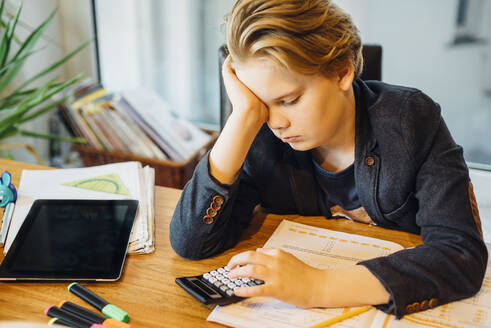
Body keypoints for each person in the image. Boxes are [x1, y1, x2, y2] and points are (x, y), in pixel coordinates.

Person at [170, 0, 487, 319]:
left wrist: (317, 287)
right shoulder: (259, 132)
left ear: (342, 71)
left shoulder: (411, 120)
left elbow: (461, 254)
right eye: (260, 105)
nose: (276, 122)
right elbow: (190, 243)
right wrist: (242, 118)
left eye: (289, 100)